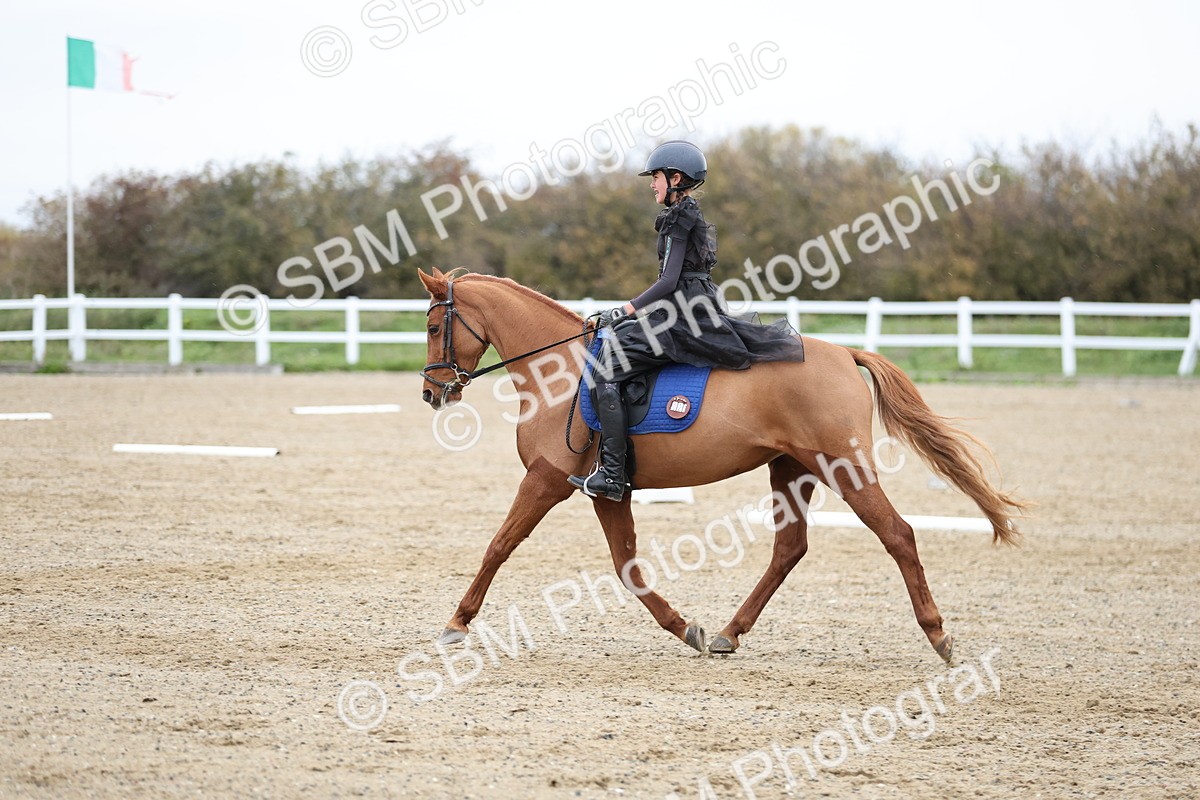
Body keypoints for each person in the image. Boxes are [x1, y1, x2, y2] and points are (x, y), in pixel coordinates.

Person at [568, 140, 806, 502]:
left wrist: (626, 309)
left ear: (675, 178)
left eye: (656, 178)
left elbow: (668, 281)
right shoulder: (681, 213)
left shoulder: (682, 215)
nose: (652, 184)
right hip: (681, 310)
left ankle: (613, 474)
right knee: (619, 342)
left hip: (683, 317)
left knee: (606, 370)